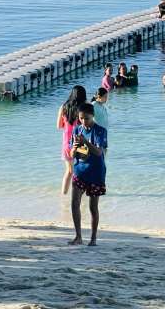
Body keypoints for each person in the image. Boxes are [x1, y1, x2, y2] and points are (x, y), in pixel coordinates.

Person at [69, 103, 108, 246]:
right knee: (74, 203)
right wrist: (74, 148)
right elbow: (71, 154)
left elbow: (98, 152)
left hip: (96, 172)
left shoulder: (100, 131)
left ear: (93, 116)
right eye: (81, 118)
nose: (84, 121)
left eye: (87, 118)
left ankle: (93, 238)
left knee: (93, 207)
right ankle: (78, 236)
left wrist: (85, 142)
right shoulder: (76, 130)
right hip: (79, 171)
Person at [57, 85, 86, 195]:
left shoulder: (63, 107)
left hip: (67, 143)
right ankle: (80, 196)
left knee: (69, 171)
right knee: (82, 171)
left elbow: (59, 126)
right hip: (80, 142)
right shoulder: (83, 109)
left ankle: (63, 196)